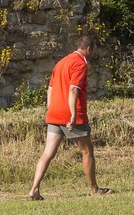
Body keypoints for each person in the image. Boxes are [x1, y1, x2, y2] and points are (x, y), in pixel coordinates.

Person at [29, 32, 112, 199]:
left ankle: (34, 189)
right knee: (87, 151)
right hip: (71, 114)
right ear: (89, 49)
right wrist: (73, 115)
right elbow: (73, 89)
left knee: (48, 153)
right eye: (93, 49)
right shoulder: (80, 64)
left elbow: (50, 88)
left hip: (54, 113)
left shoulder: (61, 62)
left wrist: (51, 109)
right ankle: (94, 189)